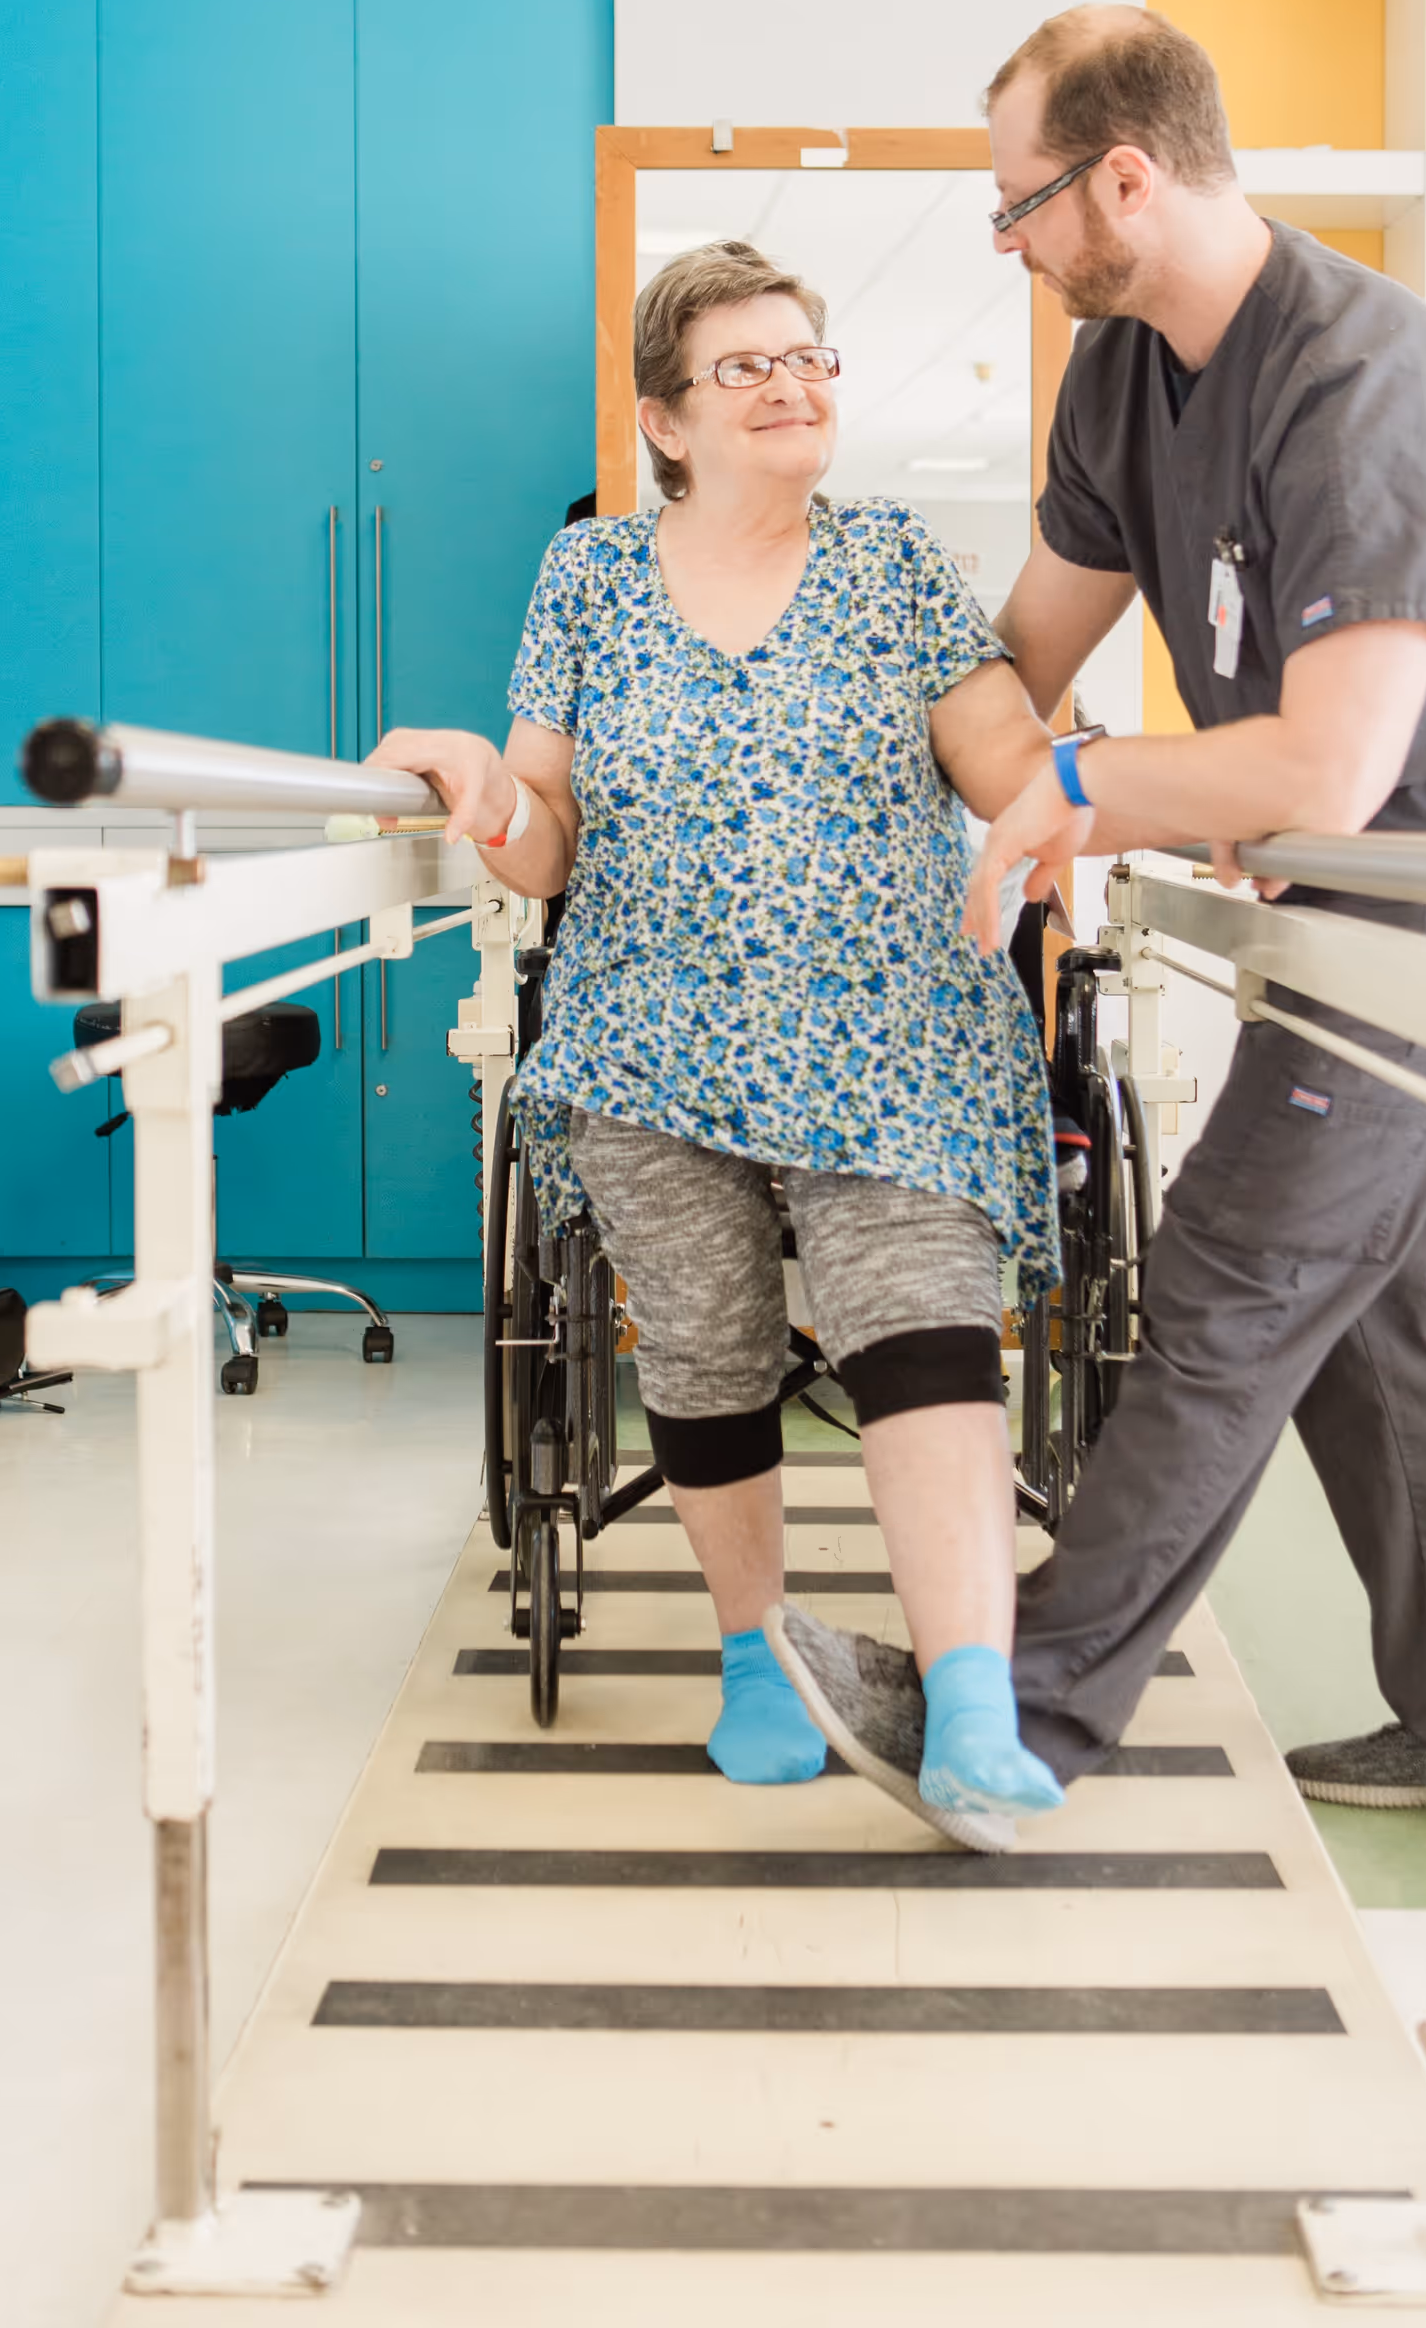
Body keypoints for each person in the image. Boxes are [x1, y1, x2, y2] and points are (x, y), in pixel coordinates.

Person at [769, 5, 1426, 1839]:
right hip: (1330, 889)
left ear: (1123, 181)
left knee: (1229, 1280)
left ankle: (1020, 1714)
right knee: (1370, 1335)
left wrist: (1081, 792)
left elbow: (1335, 764)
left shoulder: (1367, 381)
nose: (1010, 242)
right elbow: (1020, 663)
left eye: (1020, 207)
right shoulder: (1121, 378)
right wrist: (889, 747)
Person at [375, 239, 1063, 1846]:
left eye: (809, 356)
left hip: (889, 1029)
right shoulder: (593, 579)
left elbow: (1003, 760)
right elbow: (544, 842)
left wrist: (1086, 792)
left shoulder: (895, 563)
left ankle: (970, 1697)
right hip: (649, 1037)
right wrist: (485, 789)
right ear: (665, 419)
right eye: (748, 365)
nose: (793, 383)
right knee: (702, 1344)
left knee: (922, 1321)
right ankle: (757, 1654)